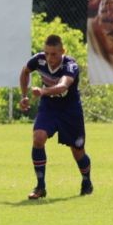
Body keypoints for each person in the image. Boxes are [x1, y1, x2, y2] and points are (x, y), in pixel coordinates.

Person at [19, 34, 93, 199]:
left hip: (70, 109)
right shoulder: (39, 60)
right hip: (49, 106)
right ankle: (40, 186)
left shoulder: (70, 65)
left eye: (53, 54)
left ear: (62, 51)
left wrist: (43, 91)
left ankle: (86, 180)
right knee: (38, 138)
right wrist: (23, 96)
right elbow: (25, 71)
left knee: (78, 151)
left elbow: (62, 86)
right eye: (46, 53)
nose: (49, 58)